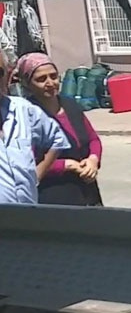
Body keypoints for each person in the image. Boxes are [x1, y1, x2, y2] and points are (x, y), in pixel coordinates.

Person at [15, 52, 103, 207]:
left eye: (53, 76)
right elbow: (27, 163)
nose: (50, 83)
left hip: (87, 193)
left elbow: (93, 139)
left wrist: (93, 160)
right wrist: (66, 165)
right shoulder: (25, 116)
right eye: (41, 79)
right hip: (54, 197)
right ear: (27, 84)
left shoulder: (71, 106)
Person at [0, 49, 67, 206]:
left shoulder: (22, 109)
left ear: (8, 76)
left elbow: (57, 139)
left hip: (28, 215)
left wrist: (37, 174)